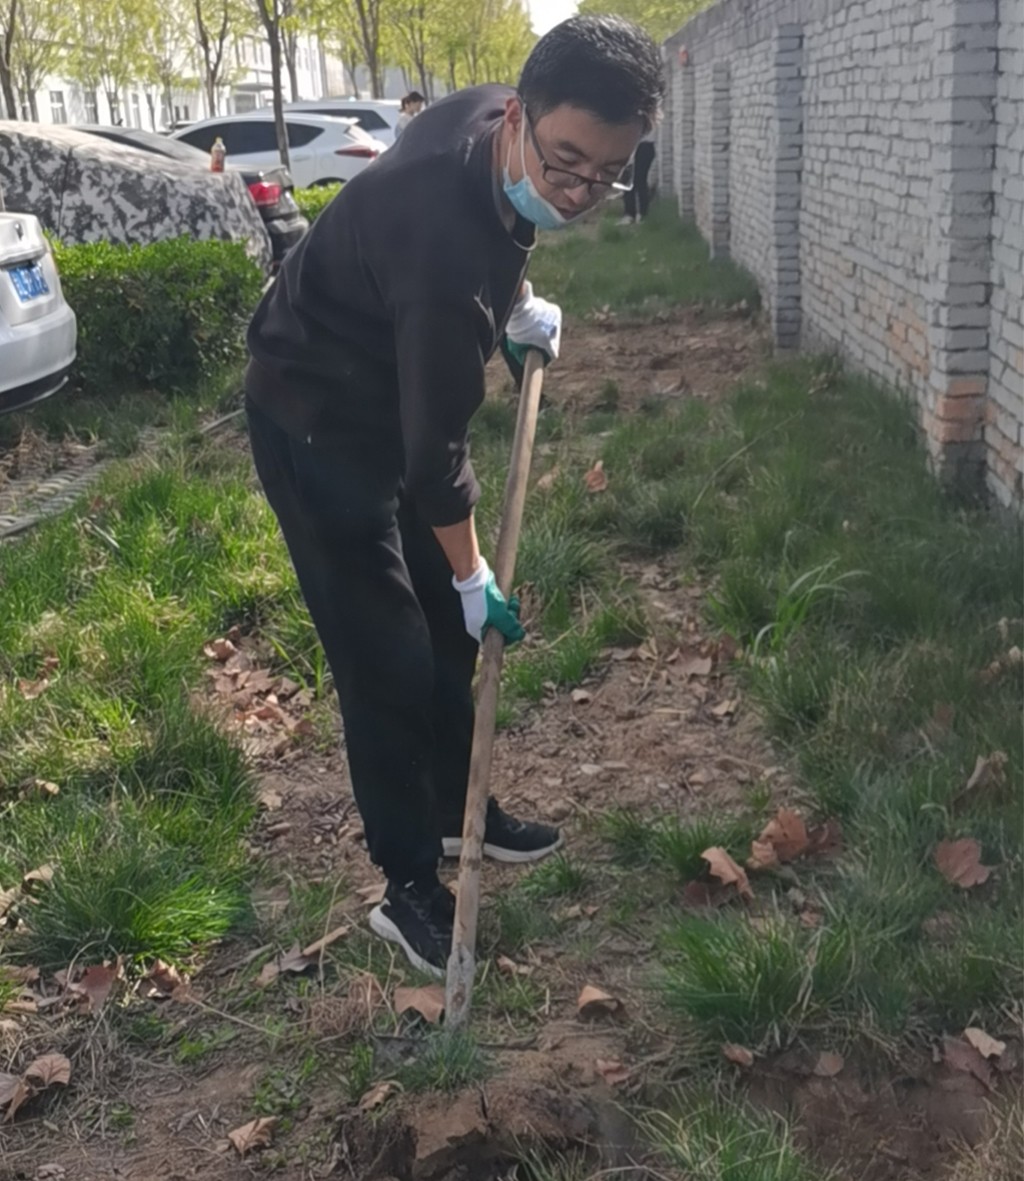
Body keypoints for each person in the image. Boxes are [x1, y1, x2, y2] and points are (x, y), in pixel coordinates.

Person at [243, 15, 664, 977]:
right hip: (317, 415)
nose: (578, 192)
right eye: (565, 164)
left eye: (606, 175)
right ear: (519, 117)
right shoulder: (439, 250)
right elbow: (434, 460)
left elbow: (503, 230)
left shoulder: (489, 124)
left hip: (390, 372)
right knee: (387, 652)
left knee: (445, 630)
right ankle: (408, 886)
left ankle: (456, 812)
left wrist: (515, 303)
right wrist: (475, 575)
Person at [619, 128, 656, 224]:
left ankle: (640, 214)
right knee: (628, 180)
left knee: (638, 181)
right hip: (638, 146)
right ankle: (631, 214)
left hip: (641, 147)